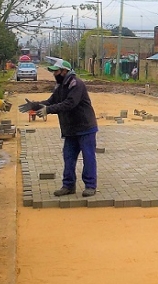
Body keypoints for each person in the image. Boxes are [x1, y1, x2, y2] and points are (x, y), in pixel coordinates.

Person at [18, 59, 99, 198]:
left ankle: (90, 186)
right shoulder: (59, 87)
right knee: (68, 157)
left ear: (64, 71)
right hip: (70, 129)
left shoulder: (76, 84)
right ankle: (68, 186)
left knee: (88, 157)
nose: (54, 74)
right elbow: (51, 102)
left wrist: (48, 110)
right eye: (53, 71)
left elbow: (70, 103)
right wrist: (35, 105)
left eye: (56, 71)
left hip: (85, 127)